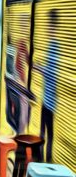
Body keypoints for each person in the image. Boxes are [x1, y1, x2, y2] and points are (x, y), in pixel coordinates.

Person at [35, 9, 60, 163]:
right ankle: (42, 160)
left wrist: (38, 67)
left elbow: (52, 73)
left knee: (46, 134)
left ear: (53, 25)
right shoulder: (52, 45)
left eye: (49, 25)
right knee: (43, 133)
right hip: (47, 99)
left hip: (50, 101)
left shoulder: (54, 46)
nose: (47, 28)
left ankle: (46, 161)